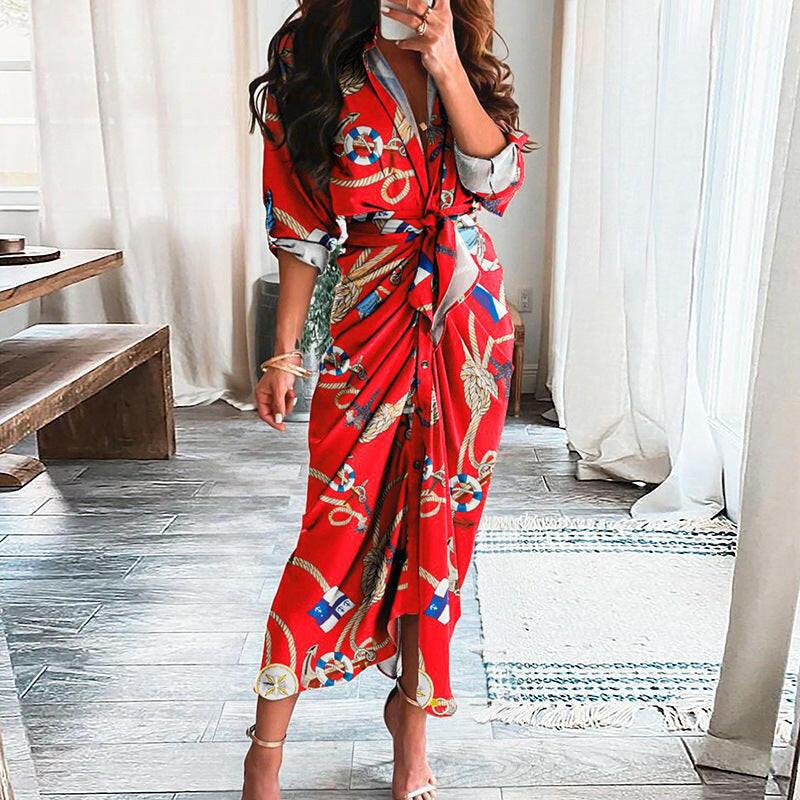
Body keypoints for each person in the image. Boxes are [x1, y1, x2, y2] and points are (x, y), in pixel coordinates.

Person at [243, 1, 530, 798]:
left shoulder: (459, 41)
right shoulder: (314, 48)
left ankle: (412, 728)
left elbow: (497, 178)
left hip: (467, 324)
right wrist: (284, 351)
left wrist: (446, 63)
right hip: (368, 315)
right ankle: (265, 750)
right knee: (332, 531)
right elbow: (297, 222)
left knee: (440, 535)